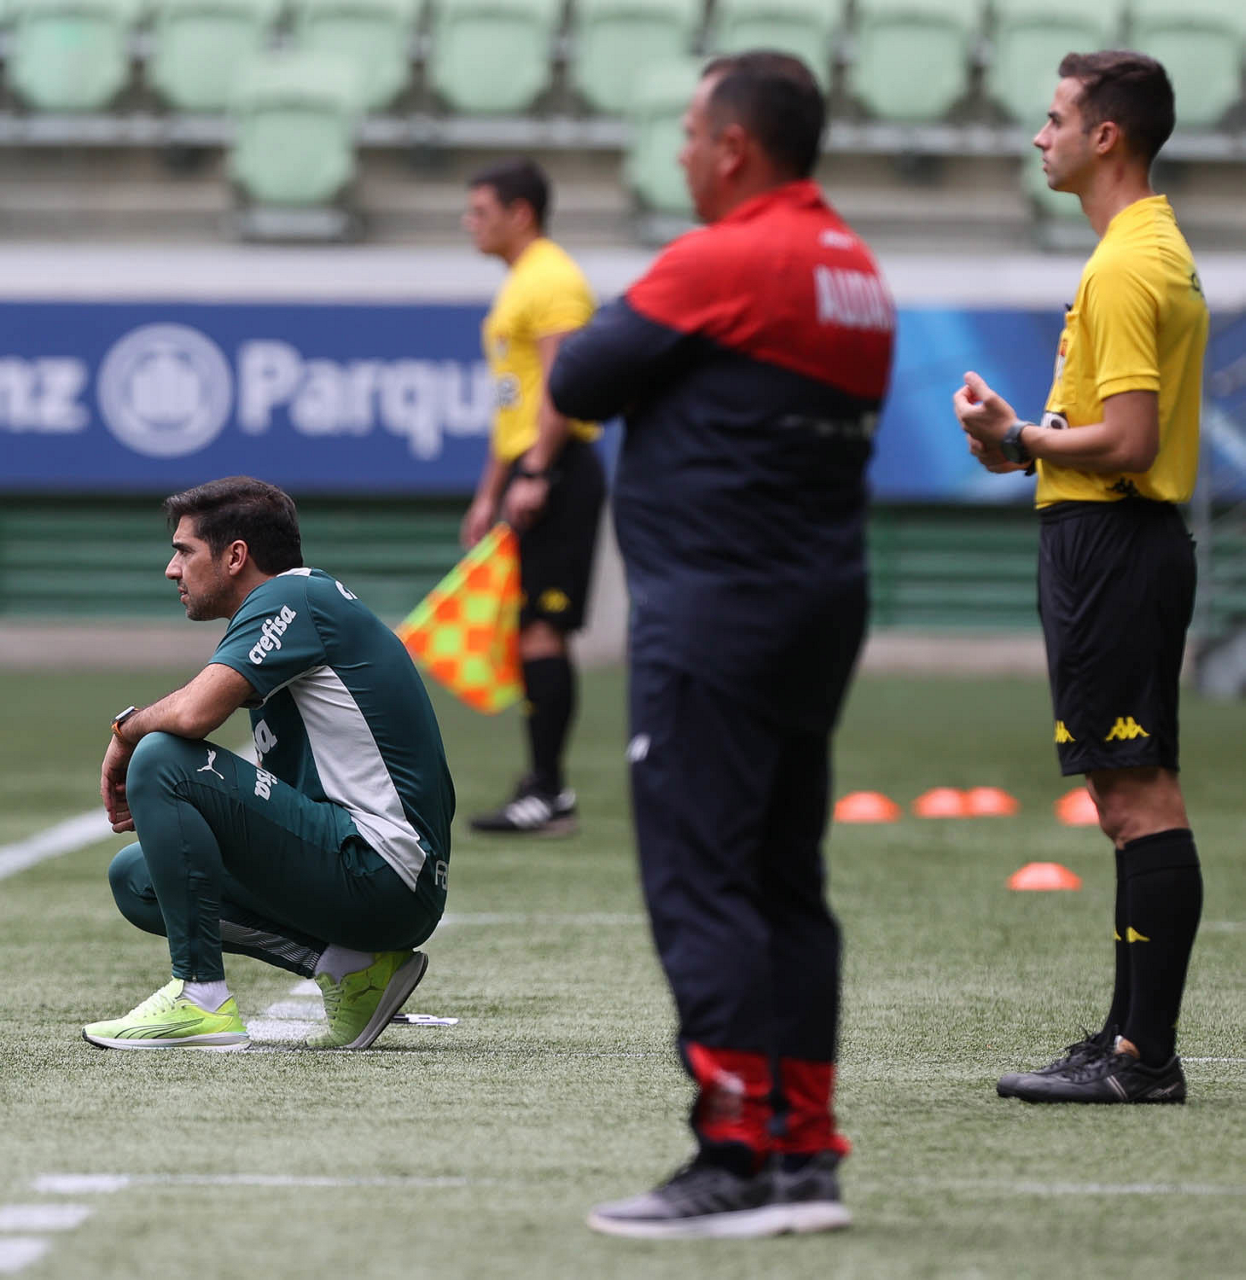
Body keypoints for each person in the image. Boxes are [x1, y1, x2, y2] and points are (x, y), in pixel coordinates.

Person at [548, 52, 894, 1237]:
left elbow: (579, 374)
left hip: (712, 610)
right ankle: (803, 1154)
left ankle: (734, 1155)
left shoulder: (724, 257)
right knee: (786, 879)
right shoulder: (855, 270)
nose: (682, 153)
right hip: (815, 607)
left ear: (735, 147)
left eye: (692, 133)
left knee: (703, 879)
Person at [953, 52, 1207, 1104]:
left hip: (1114, 546)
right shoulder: (1143, 248)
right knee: (1121, 796)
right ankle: (1124, 1040)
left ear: (1106, 136)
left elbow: (1133, 440)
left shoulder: (1125, 264)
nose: (1038, 135)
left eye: (1055, 117)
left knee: (1138, 796)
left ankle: (1144, 1059)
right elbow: (1110, 429)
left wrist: (1022, 438)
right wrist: (1023, 443)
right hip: (1113, 539)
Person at [86, 476, 454, 1052]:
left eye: (184, 551)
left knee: (161, 757)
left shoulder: (293, 598)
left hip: (381, 871)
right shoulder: (296, 611)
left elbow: (193, 714)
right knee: (138, 879)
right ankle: (352, 969)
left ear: (236, 557)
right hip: (381, 879)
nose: (171, 569)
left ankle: (200, 996)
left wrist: (124, 731)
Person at [460, 158, 606, 836]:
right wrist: (489, 492)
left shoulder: (552, 279)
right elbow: (512, 405)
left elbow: (562, 386)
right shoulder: (521, 283)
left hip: (559, 468)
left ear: (521, 213)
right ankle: (544, 785)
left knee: (544, 630)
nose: (469, 223)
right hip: (533, 465)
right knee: (527, 631)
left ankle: (549, 792)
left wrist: (540, 471)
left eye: (481, 211)